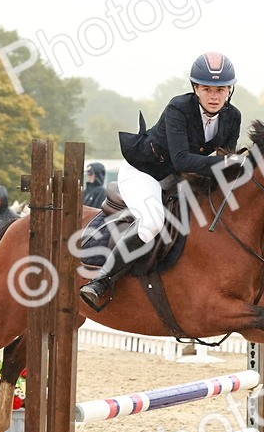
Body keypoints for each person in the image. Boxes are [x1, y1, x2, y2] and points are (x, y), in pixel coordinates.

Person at [80, 51, 244, 309]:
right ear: (196, 89)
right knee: (153, 221)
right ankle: (101, 280)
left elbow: (226, 159)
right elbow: (182, 160)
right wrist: (227, 163)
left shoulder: (232, 116)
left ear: (229, 91)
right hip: (144, 172)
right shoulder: (179, 108)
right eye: (207, 89)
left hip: (177, 179)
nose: (214, 96)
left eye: (221, 89)